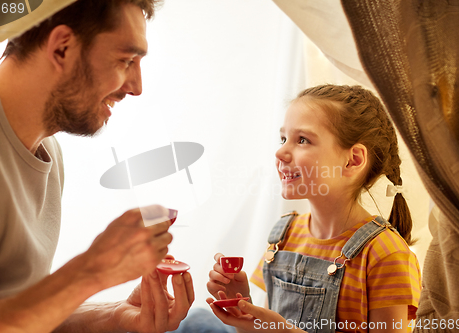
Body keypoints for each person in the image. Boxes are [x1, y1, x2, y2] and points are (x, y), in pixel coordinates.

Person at [0, 0, 194, 332]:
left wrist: (114, 315)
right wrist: (91, 271)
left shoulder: (48, 151)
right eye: (125, 60)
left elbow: (19, 315)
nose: (136, 87)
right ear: (62, 48)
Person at [176, 84, 421, 333]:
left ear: (353, 160)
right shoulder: (285, 233)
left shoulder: (385, 254)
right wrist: (244, 307)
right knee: (196, 321)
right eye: (283, 139)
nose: (281, 152)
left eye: (302, 140)